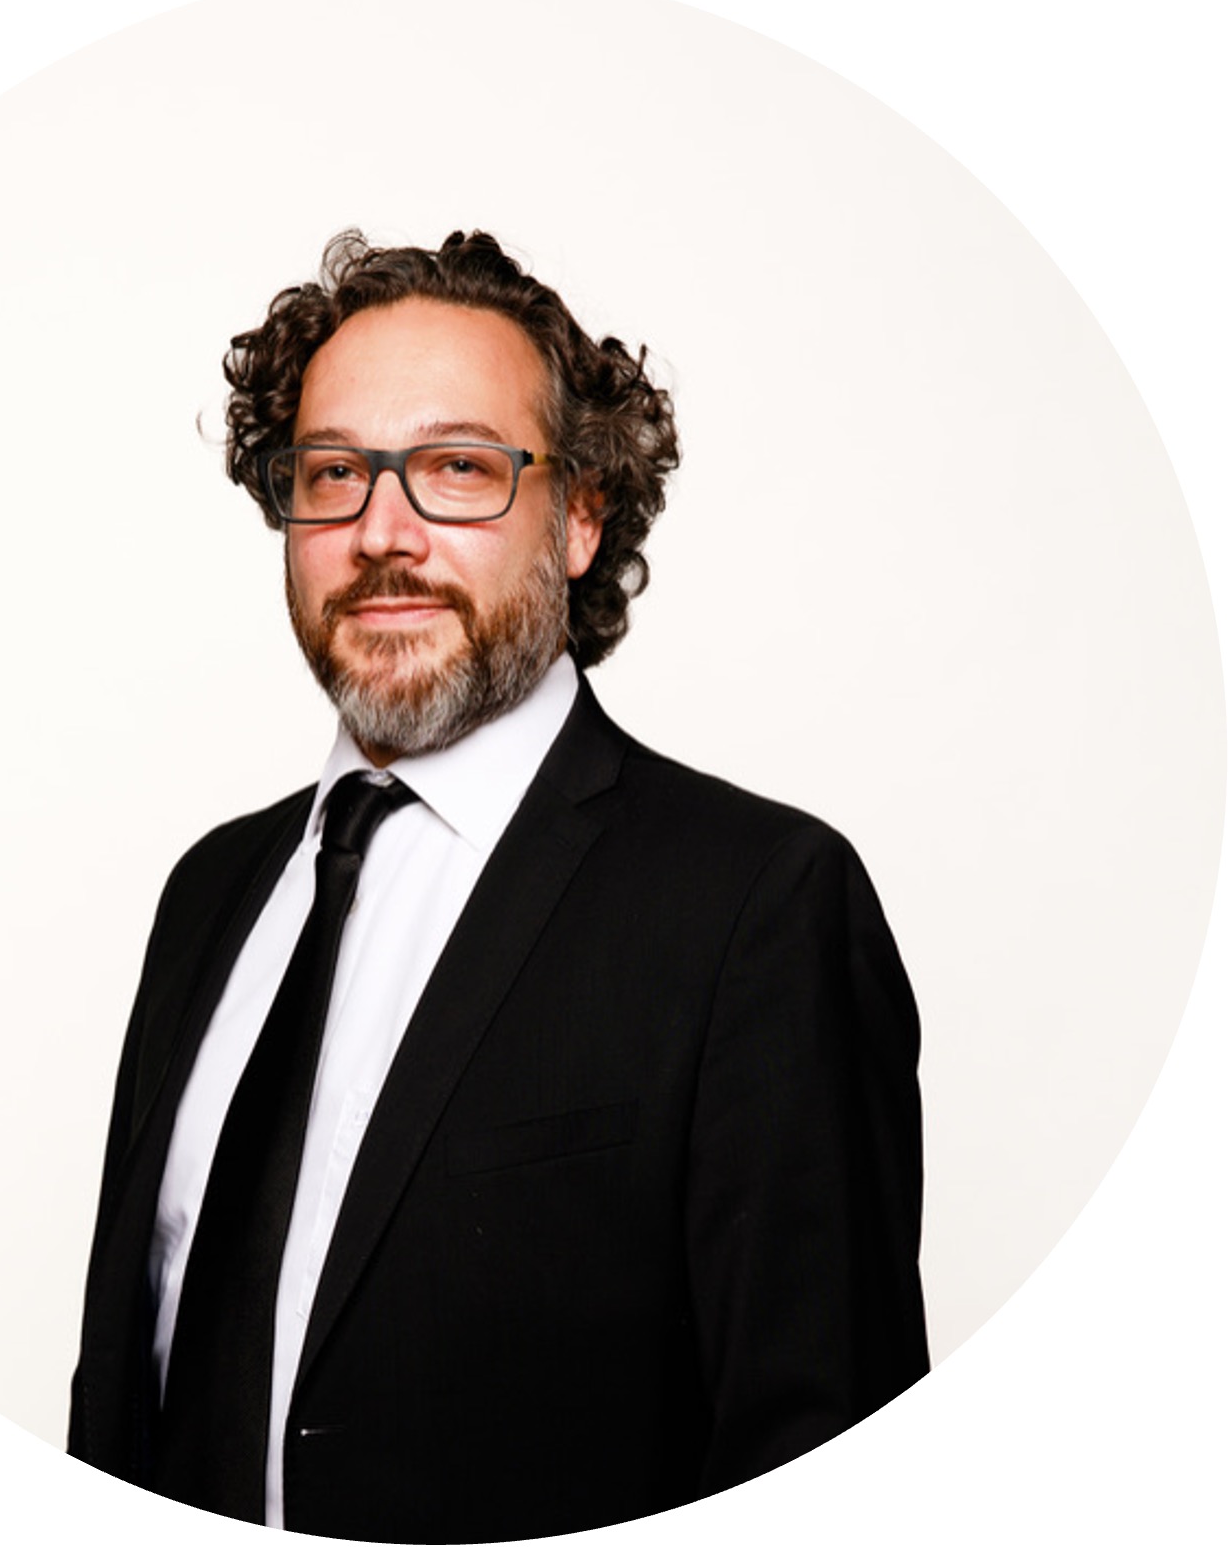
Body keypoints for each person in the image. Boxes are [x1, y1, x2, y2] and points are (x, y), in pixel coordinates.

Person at [67, 230, 928, 1542]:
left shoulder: (755, 906)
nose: (382, 534)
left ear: (579, 517)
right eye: (333, 473)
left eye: (459, 469)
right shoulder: (210, 895)